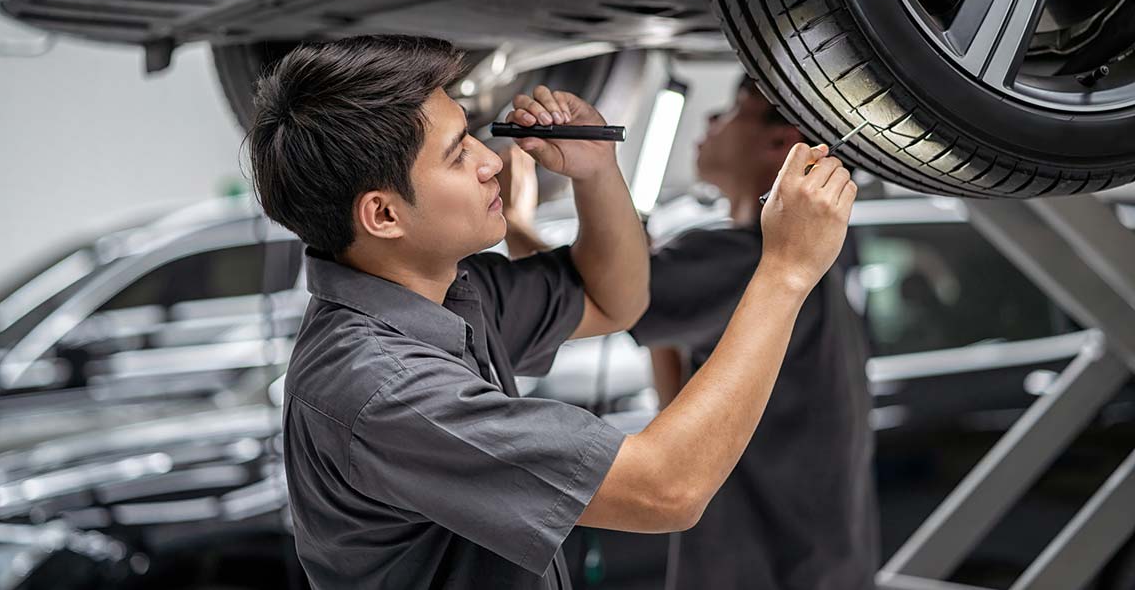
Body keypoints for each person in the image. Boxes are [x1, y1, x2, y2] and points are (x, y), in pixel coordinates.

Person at [247, 35, 857, 590]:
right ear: (383, 216)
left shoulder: (452, 294)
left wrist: (595, 174)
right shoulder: (385, 390)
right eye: (458, 154)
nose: (491, 160)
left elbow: (612, 299)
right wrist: (786, 271)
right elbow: (666, 490)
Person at [504, 74, 878, 590]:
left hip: (765, 570)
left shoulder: (743, 258)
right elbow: (675, 383)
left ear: (781, 141)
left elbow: (596, 296)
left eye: (731, 110)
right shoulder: (790, 262)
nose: (707, 120)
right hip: (815, 565)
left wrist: (514, 218)